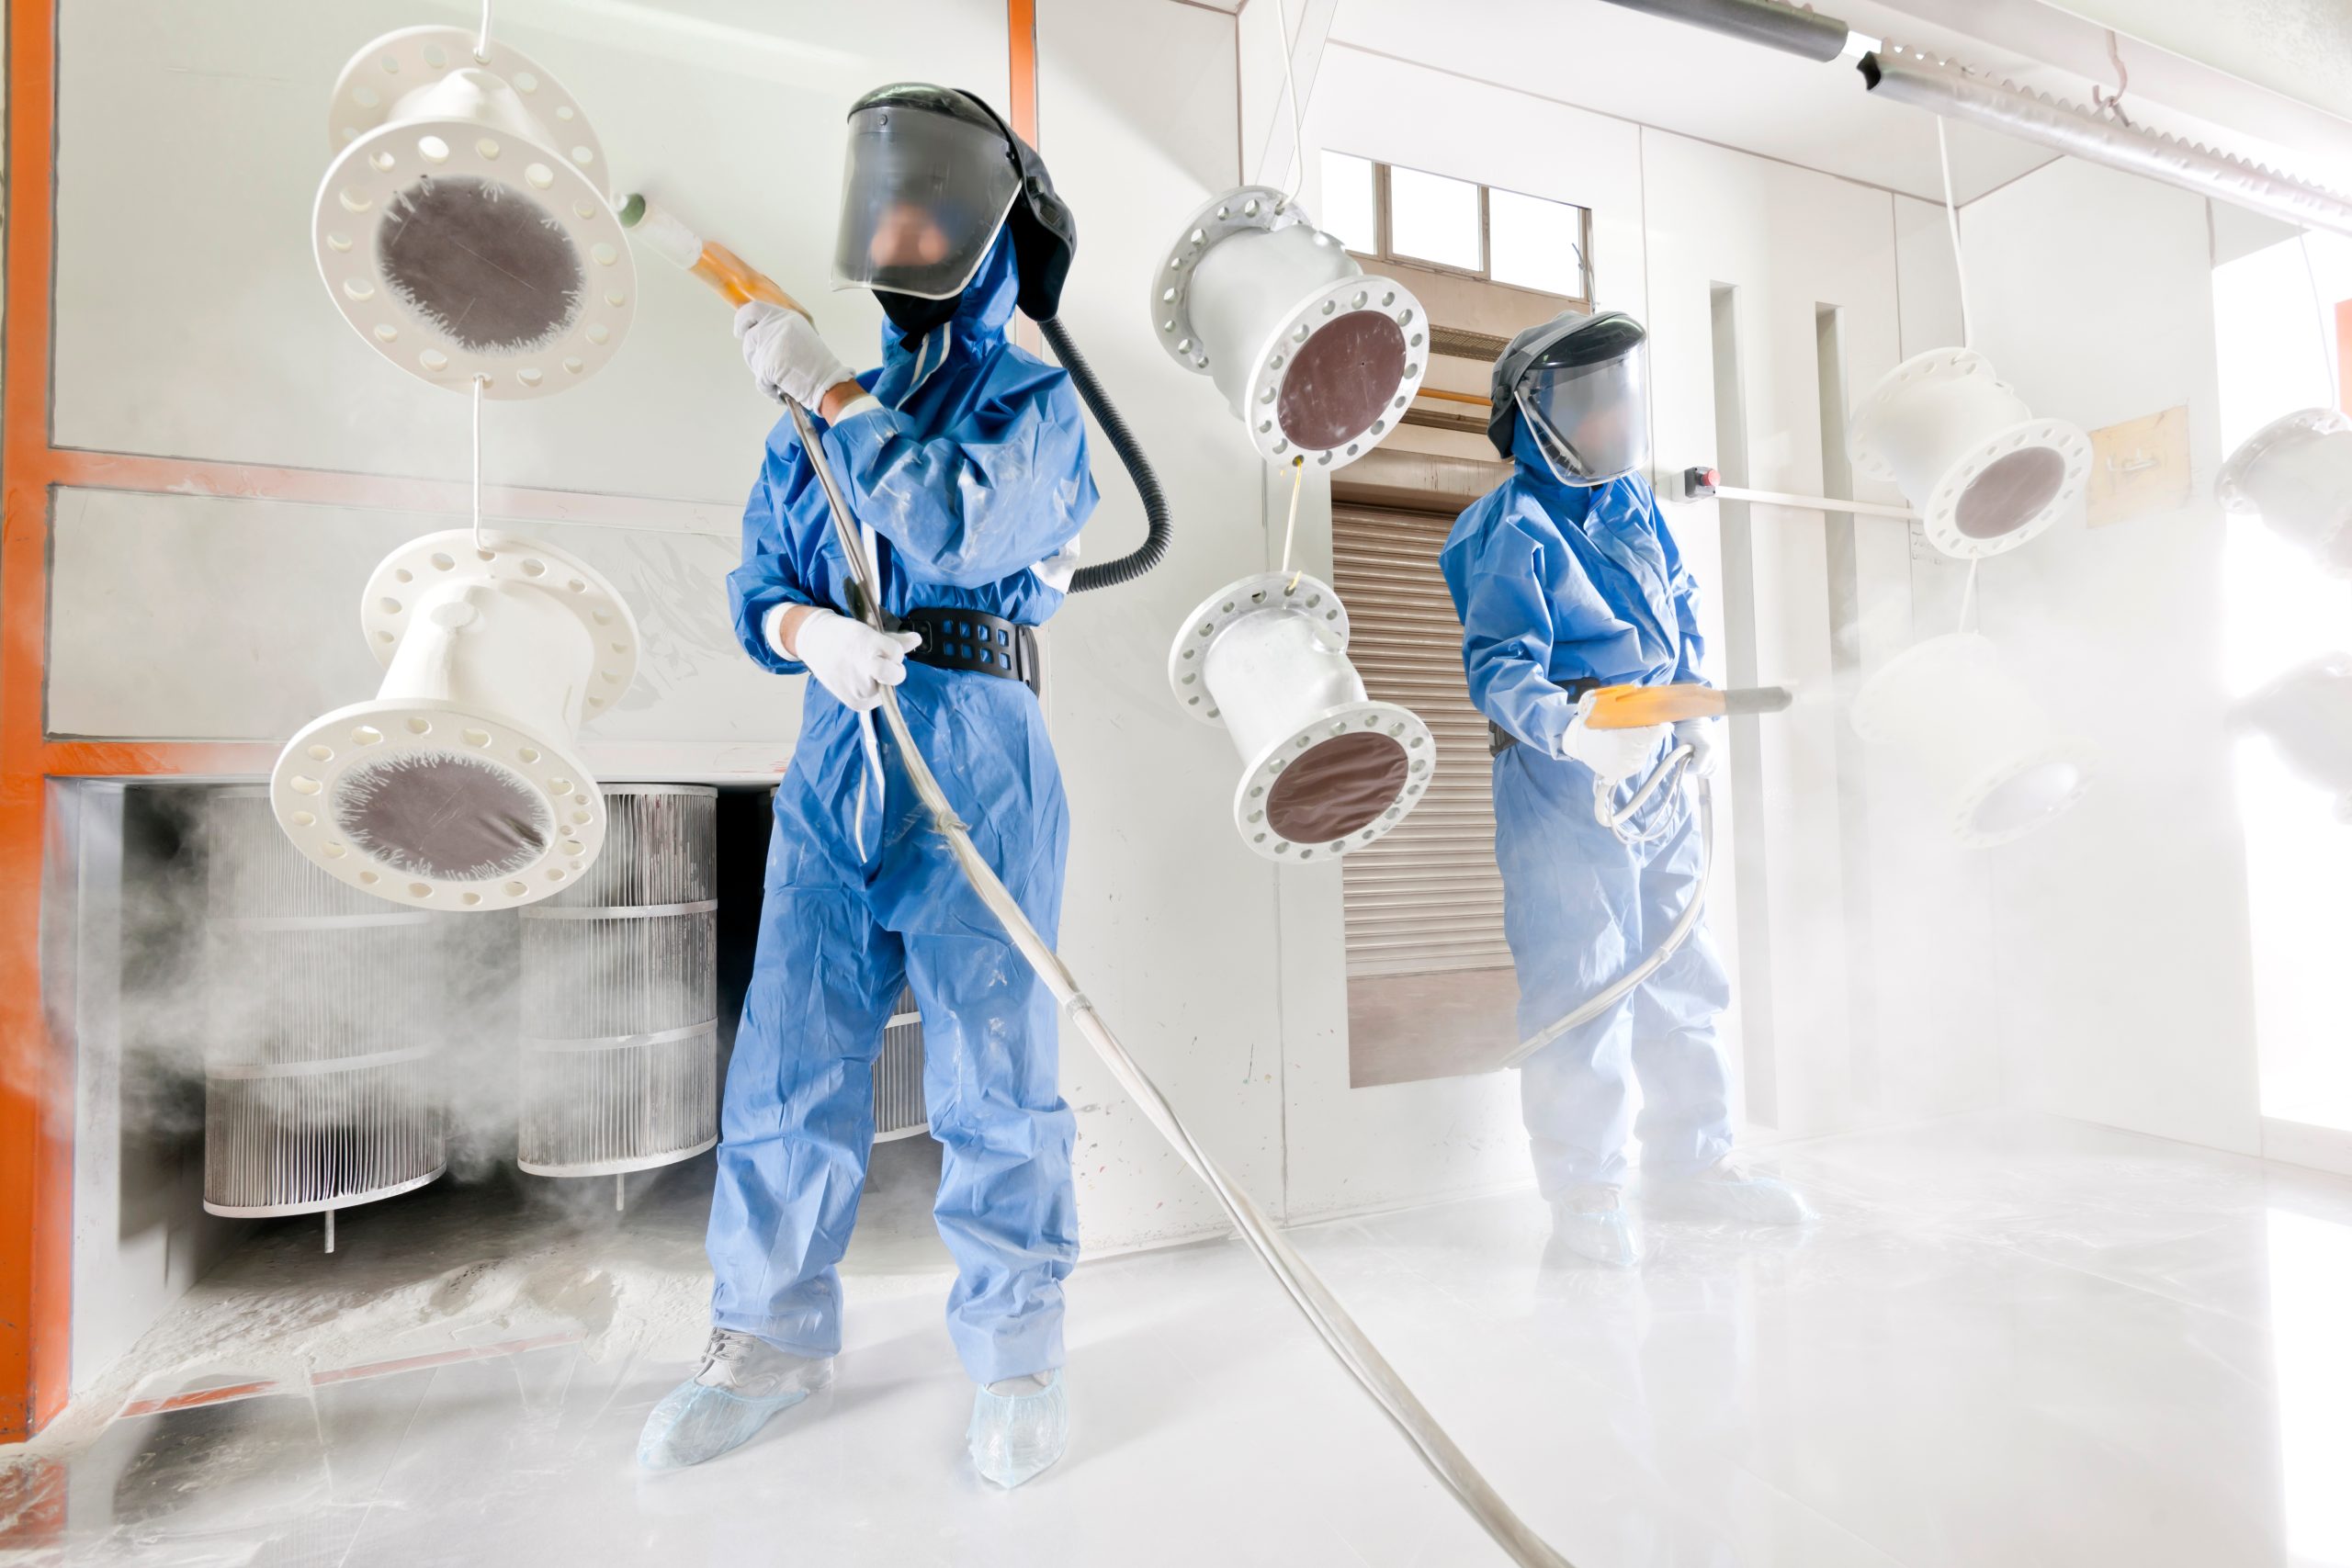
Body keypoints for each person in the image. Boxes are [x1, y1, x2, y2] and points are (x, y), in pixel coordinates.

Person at [638, 85, 1092, 1487]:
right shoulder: (814, 413)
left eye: (929, 201)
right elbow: (756, 583)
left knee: (992, 1071)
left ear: (993, 226)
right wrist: (804, 633)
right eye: (883, 201)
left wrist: (830, 390)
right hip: (841, 745)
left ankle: (1016, 1357)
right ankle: (765, 1340)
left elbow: (955, 518)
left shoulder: (1033, 400)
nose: (900, 224)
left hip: (977, 742)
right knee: (788, 1058)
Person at [1440, 308, 1812, 1269]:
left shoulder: (1631, 506)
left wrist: (1686, 715)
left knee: (1682, 966)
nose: (1613, 420)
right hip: (1561, 779)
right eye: (1589, 401)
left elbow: (1678, 612)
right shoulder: (1506, 525)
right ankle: (1588, 1191)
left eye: (1620, 398)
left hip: (1656, 764)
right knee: (1583, 979)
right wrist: (1569, 728)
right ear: (1532, 416)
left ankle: (1692, 1168)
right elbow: (1498, 665)